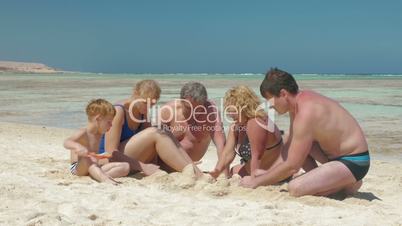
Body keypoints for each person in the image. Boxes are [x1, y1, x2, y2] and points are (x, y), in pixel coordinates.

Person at [240, 68, 370, 197]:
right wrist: (267, 173)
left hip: (355, 161)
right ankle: (330, 180)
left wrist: (256, 182)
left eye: (270, 100)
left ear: (284, 94)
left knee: (295, 188)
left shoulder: (306, 112)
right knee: (292, 141)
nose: (269, 105)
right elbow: (289, 148)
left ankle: (347, 185)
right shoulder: (297, 104)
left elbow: (292, 166)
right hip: (333, 158)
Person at [102, 80, 202, 176]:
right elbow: (111, 153)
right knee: (156, 132)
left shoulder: (142, 112)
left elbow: (152, 147)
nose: (148, 107)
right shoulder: (119, 111)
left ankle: (192, 168)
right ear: (135, 94)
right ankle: (188, 170)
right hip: (110, 161)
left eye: (152, 104)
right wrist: (143, 167)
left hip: (129, 159)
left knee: (163, 130)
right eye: (145, 102)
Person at [210, 86, 283, 178]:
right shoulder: (236, 127)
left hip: (273, 173)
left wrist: (253, 181)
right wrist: (217, 171)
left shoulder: (257, 122)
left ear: (245, 107)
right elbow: (227, 153)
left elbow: (257, 157)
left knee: (235, 173)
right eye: (228, 108)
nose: (229, 113)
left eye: (233, 109)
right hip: (255, 169)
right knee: (233, 171)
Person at [158, 82, 226, 173]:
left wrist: (224, 173)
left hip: (188, 168)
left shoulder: (210, 112)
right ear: (181, 101)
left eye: (198, 109)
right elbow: (154, 142)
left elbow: (221, 144)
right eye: (188, 108)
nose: (193, 113)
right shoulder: (168, 111)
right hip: (163, 164)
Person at [64, 99, 129, 185]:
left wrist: (101, 156)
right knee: (89, 159)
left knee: (125, 166)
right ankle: (104, 179)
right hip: (78, 167)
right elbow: (66, 142)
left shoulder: (99, 134)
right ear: (98, 119)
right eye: (109, 122)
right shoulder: (84, 132)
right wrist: (77, 147)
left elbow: (93, 153)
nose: (111, 125)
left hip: (94, 166)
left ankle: (97, 176)